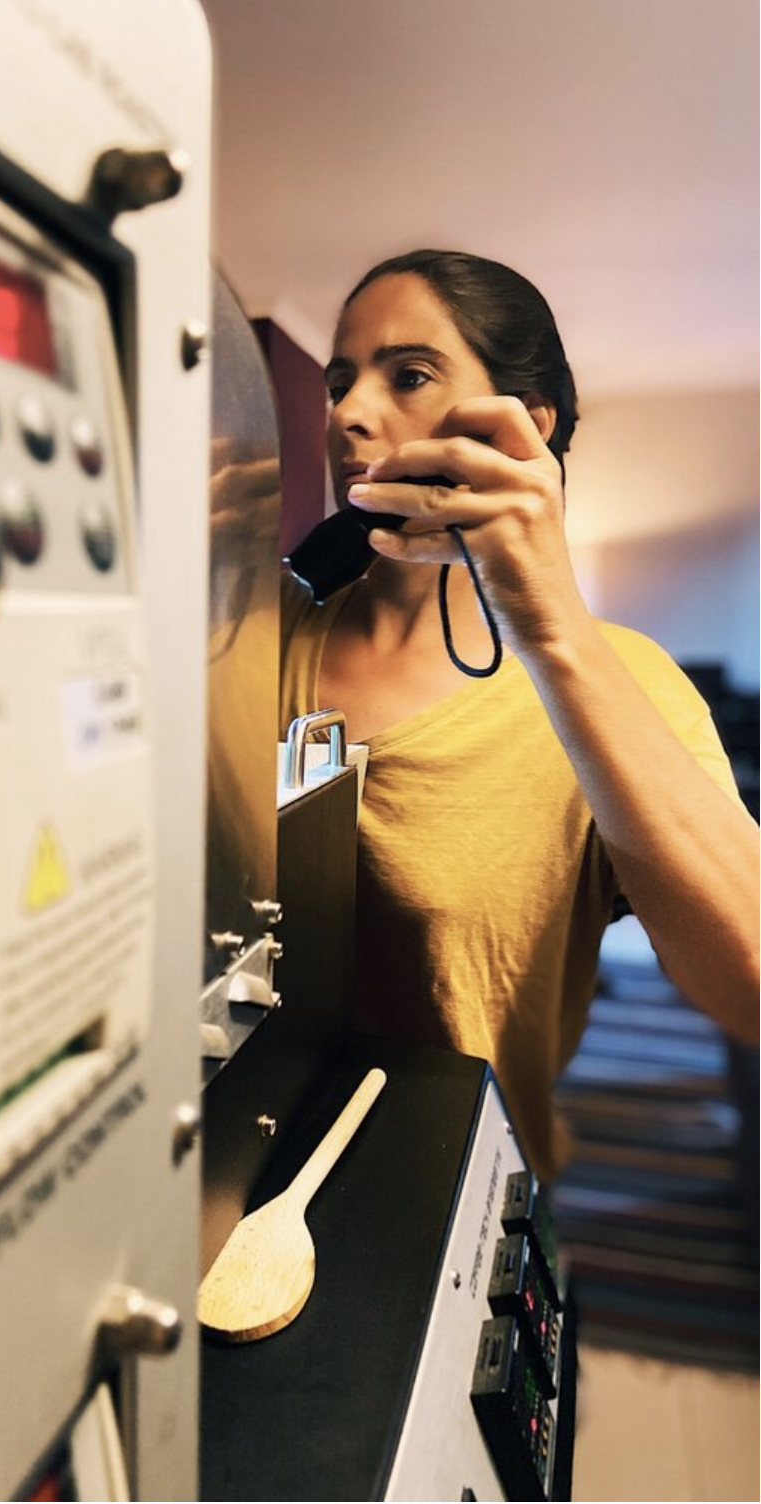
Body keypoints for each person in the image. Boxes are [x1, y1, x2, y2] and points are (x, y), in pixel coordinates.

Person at [280, 249, 759, 1181]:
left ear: (523, 429)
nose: (345, 413)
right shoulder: (264, 633)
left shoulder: (619, 680)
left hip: (452, 1187)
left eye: (407, 375)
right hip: (223, 1162)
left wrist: (548, 626)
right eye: (339, 382)